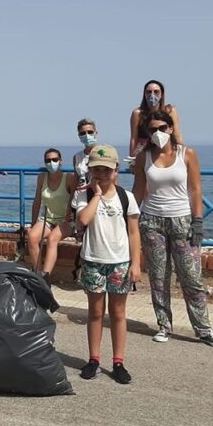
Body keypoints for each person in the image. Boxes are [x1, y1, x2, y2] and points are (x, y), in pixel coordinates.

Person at [132, 112, 213, 349]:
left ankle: (204, 329)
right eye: (152, 130)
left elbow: (195, 190)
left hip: (182, 220)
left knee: (191, 277)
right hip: (152, 221)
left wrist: (197, 222)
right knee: (158, 278)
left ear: (171, 129)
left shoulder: (187, 153)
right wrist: (129, 221)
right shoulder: (145, 156)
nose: (158, 133)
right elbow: (138, 191)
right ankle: (164, 325)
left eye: (162, 127)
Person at [73, 144, 141, 384]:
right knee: (95, 312)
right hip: (93, 260)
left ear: (115, 171)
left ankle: (118, 361)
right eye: (96, 170)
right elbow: (83, 219)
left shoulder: (127, 197)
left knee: (119, 313)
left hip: (119, 261)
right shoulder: (84, 195)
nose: (101, 175)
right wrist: (97, 194)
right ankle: (94, 359)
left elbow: (134, 233)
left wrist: (136, 263)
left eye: (106, 170)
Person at [27, 148, 75, 283]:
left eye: (54, 159)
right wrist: (33, 223)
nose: (51, 162)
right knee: (32, 237)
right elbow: (37, 201)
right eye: (48, 160)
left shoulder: (69, 178)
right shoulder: (42, 177)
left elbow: (73, 201)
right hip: (48, 218)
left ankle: (46, 277)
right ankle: (38, 274)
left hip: (66, 220)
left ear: (60, 161)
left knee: (53, 239)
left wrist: (67, 220)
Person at [128, 80, 183, 159]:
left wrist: (182, 156)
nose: (152, 95)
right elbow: (134, 138)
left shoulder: (170, 111)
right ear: (144, 94)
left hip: (165, 151)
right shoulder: (138, 114)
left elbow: (177, 136)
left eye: (156, 92)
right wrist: (132, 159)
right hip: (144, 152)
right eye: (149, 92)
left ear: (162, 94)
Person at [73, 118, 99, 189]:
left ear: (96, 133)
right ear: (79, 136)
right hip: (81, 195)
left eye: (90, 132)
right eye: (83, 133)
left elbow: (113, 179)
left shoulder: (103, 153)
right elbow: (76, 180)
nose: (87, 135)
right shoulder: (77, 157)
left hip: (98, 195)